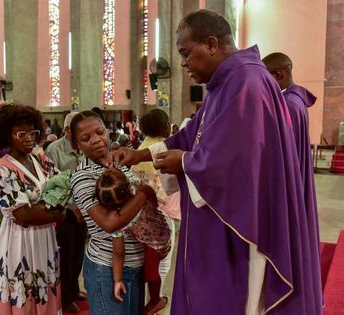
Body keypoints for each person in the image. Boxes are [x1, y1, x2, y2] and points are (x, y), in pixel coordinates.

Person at [109, 10, 322, 315]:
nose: (183, 64)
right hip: (214, 221)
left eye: (185, 53)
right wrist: (141, 155)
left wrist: (185, 162)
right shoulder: (224, 83)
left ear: (211, 44)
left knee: (228, 300)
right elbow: (192, 135)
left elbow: (239, 162)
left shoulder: (248, 81)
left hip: (237, 225)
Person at [69, 111, 156, 315]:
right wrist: (145, 192)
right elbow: (109, 223)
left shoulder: (122, 163)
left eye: (100, 132)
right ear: (76, 144)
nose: (96, 140)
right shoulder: (83, 176)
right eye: (86, 138)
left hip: (136, 261)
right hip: (106, 267)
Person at [0, 104, 64, 315]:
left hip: (45, 235)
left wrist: (47, 208)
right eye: (22, 134)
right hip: (19, 240)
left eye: (33, 132)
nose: (29, 138)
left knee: (45, 289)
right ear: (7, 135)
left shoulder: (41, 160)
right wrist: (57, 211)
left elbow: (64, 188)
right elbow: (22, 214)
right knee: (24, 291)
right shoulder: (3, 168)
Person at [262, 53, 320, 258]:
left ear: (279, 74)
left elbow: (282, 155)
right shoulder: (296, 101)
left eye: (265, 79)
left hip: (288, 184)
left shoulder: (288, 105)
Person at [94, 168, 171, 315]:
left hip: (155, 241)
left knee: (152, 273)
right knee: (152, 272)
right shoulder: (138, 191)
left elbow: (118, 253)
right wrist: (153, 207)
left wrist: (117, 280)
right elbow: (149, 190)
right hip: (161, 225)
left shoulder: (117, 221)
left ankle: (156, 300)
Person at [131, 109, 181, 314]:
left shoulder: (141, 149)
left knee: (148, 259)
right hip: (164, 212)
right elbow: (163, 189)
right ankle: (156, 299)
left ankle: (149, 297)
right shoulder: (163, 150)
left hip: (140, 213)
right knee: (163, 258)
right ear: (164, 125)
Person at [44, 112, 88, 313]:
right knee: (66, 254)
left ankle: (75, 288)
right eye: (78, 129)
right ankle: (65, 297)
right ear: (67, 130)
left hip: (86, 208)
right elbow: (53, 184)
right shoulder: (54, 149)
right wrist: (72, 206)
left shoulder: (86, 146)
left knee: (80, 250)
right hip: (64, 210)